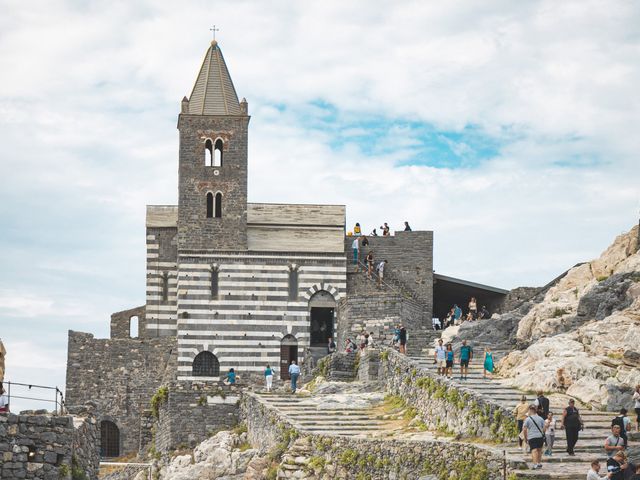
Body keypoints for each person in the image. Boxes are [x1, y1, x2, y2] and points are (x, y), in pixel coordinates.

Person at [522, 404, 546, 470]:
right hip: (540, 436)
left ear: (530, 410)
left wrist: (525, 438)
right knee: (539, 450)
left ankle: (535, 464)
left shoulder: (528, 419)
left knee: (534, 450)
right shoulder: (541, 418)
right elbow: (544, 428)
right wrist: (542, 433)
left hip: (532, 437)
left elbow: (524, 429)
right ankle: (539, 463)